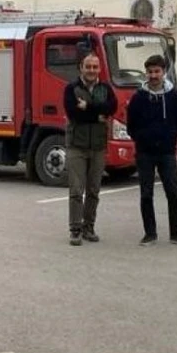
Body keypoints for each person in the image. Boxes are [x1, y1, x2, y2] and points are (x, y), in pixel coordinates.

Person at [125, 55, 177, 246]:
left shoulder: (174, 96)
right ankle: (150, 233)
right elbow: (131, 125)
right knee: (146, 193)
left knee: (173, 192)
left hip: (167, 152)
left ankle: (176, 233)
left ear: (163, 72)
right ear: (146, 73)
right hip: (144, 153)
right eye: (150, 72)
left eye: (157, 71)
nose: (153, 75)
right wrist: (143, 139)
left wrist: (171, 138)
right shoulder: (138, 98)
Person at [64, 52, 118, 246]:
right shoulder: (71, 89)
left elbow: (112, 108)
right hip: (76, 146)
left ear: (99, 69)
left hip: (98, 147)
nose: (91, 70)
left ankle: (89, 228)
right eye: (88, 66)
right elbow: (73, 113)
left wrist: (88, 106)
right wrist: (97, 114)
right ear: (81, 68)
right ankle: (75, 230)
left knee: (94, 190)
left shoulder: (106, 88)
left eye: (95, 67)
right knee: (76, 190)